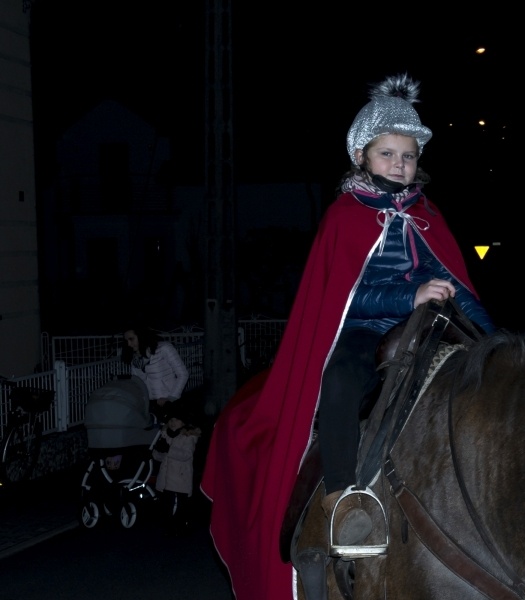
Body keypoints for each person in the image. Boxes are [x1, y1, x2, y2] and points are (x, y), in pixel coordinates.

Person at [201, 73, 494, 600]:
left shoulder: (427, 216)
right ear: (362, 156)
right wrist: (409, 298)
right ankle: (344, 499)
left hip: (425, 328)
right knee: (340, 382)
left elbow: (455, 287)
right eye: (387, 154)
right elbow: (339, 299)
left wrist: (495, 342)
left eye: (407, 156)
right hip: (361, 328)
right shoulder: (343, 217)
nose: (399, 165)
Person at [121, 325, 189, 422]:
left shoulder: (164, 348)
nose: (129, 344)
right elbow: (138, 382)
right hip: (150, 403)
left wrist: (171, 397)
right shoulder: (135, 358)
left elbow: (183, 374)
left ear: (141, 336)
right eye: (126, 340)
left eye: (131, 339)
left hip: (170, 402)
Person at [153, 407, 201, 537]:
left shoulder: (188, 436)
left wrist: (168, 449)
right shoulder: (165, 434)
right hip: (166, 476)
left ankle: (181, 526)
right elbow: (159, 457)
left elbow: (186, 455)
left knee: (181, 504)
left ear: (183, 422)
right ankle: (168, 527)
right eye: (171, 419)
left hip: (180, 476)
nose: (173, 422)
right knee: (166, 503)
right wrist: (158, 451)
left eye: (177, 420)